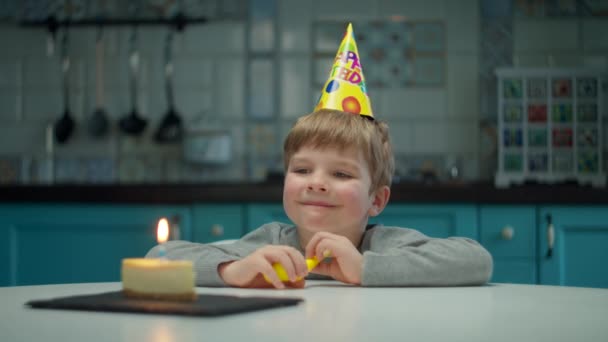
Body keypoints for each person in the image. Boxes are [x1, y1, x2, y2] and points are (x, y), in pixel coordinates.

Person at [145, 23, 493, 289]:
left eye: (341, 174)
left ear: (377, 200)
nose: (317, 183)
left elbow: (477, 260)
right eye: (302, 169)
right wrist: (233, 270)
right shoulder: (270, 242)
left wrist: (364, 268)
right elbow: (159, 256)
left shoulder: (384, 246)